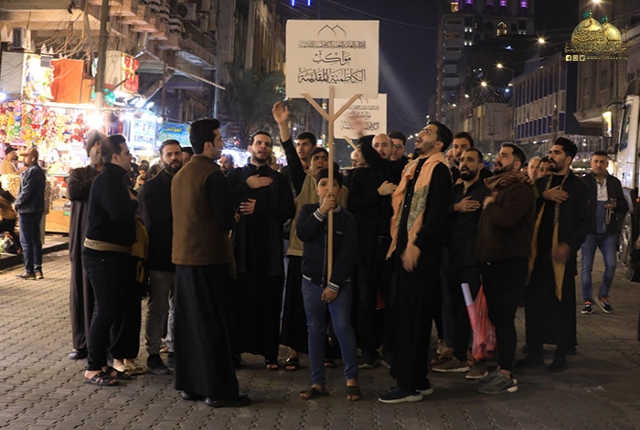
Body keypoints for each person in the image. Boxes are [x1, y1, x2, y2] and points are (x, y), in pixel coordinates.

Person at [171, 118, 250, 408]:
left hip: (183, 259)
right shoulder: (211, 174)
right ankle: (218, 390)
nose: (222, 144)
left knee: (189, 326)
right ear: (207, 145)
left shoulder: (181, 174)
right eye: (219, 140)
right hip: (209, 258)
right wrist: (235, 217)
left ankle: (191, 385)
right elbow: (225, 219)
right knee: (214, 326)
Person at [378, 121, 452, 404]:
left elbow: (436, 216)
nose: (420, 135)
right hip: (405, 250)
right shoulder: (414, 167)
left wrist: (416, 245)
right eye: (422, 131)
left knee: (414, 320)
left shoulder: (439, 170)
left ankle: (409, 386)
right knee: (407, 318)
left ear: (439, 144)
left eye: (427, 133)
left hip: (421, 256)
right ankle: (417, 379)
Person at [227, 131, 295, 369]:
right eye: (258, 143)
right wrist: (246, 185)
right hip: (242, 249)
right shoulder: (236, 175)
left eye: (267, 144)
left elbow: (289, 210)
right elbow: (223, 198)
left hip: (269, 250)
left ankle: (269, 353)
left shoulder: (279, 179)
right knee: (239, 301)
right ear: (250, 147)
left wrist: (261, 207)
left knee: (269, 301)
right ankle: (235, 351)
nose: (262, 147)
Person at [519, 138, 589, 373]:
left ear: (568, 159)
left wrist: (568, 245)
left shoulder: (579, 187)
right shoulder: (540, 184)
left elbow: (584, 222)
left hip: (561, 258)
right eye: (551, 151)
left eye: (557, 152)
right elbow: (525, 207)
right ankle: (535, 353)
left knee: (562, 305)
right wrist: (544, 197)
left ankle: (561, 355)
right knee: (534, 304)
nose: (551, 155)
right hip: (537, 254)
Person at [476, 143, 535, 394]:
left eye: (505, 155)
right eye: (499, 154)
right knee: (497, 318)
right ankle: (501, 367)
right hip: (493, 261)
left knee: (505, 319)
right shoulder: (499, 187)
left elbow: (508, 219)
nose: (499, 158)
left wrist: (490, 205)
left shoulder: (520, 189)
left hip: (510, 262)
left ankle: (506, 374)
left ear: (517, 164)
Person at [297, 168, 360, 401]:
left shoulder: (347, 218)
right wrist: (322, 212)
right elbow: (303, 233)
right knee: (315, 331)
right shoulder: (307, 211)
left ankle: (352, 379)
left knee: (343, 329)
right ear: (317, 189)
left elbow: (348, 254)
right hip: (311, 283)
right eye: (323, 184)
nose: (328, 189)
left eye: (332, 184)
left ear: (340, 190)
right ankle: (317, 382)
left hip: (339, 285)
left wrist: (334, 285)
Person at [82, 135, 137, 386]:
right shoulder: (107, 181)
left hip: (115, 254)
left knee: (111, 310)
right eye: (126, 153)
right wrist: (134, 202)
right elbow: (119, 214)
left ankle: (103, 364)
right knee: (104, 311)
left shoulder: (117, 180)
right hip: (102, 255)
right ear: (115, 157)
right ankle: (93, 368)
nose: (130, 157)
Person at [433, 147, 491, 379]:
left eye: (470, 160)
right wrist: (456, 208)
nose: (464, 163)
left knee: (476, 312)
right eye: (462, 160)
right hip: (453, 259)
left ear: (480, 166)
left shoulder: (485, 192)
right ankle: (459, 356)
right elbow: (437, 213)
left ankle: (480, 360)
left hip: (473, 261)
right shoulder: (454, 191)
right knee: (457, 309)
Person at [349, 134, 399, 369]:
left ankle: (390, 348)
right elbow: (353, 205)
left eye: (384, 145)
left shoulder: (399, 172)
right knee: (365, 301)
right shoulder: (358, 175)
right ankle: (368, 349)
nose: (380, 149)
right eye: (375, 145)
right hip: (366, 248)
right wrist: (377, 194)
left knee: (392, 300)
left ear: (393, 148)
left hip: (390, 246)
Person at [138, 140, 183, 375]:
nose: (174, 158)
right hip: (160, 256)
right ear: (162, 157)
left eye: (177, 153)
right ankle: (153, 353)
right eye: (169, 154)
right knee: (158, 307)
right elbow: (151, 223)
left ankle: (174, 349)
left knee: (179, 307)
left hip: (184, 256)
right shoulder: (151, 187)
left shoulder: (187, 182)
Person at [67, 130, 105, 360]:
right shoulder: (78, 173)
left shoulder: (114, 175)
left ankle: (101, 344)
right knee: (80, 290)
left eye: (102, 144)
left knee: (103, 295)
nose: (99, 148)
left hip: (106, 244)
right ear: (89, 149)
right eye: (96, 144)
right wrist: (100, 178)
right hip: (82, 242)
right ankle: (82, 343)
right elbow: (74, 191)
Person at [581, 151, 628, 314]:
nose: (598, 165)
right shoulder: (584, 182)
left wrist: (615, 205)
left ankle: (603, 295)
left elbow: (623, 205)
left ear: (607, 164)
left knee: (612, 265)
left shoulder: (614, 183)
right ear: (591, 163)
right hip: (589, 231)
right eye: (596, 161)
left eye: (602, 162)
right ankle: (587, 300)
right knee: (586, 267)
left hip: (608, 231)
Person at [15, 148, 46, 281]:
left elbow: (26, 191)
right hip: (36, 209)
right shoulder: (39, 171)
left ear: (33, 158)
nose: (23, 159)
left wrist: (17, 204)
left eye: (26, 156)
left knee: (26, 240)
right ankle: (37, 269)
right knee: (35, 239)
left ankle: (30, 270)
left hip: (27, 210)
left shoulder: (32, 171)